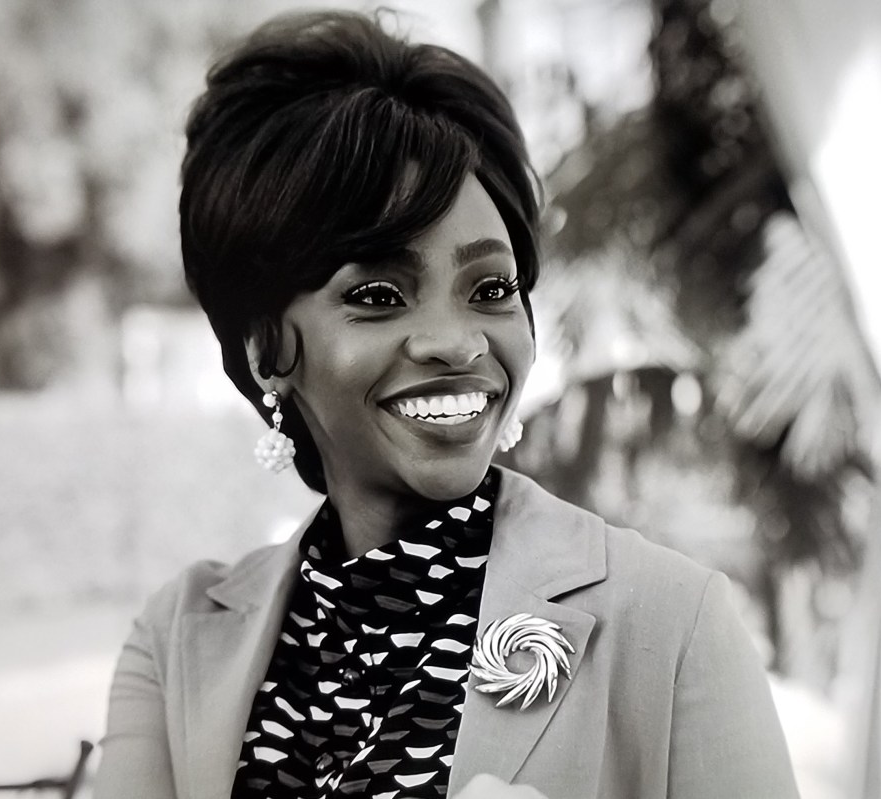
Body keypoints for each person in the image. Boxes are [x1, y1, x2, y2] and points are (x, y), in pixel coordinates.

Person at [94, 10, 800, 799]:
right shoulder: (178, 641)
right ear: (267, 350)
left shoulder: (672, 622)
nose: (456, 342)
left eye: (491, 288)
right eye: (378, 294)